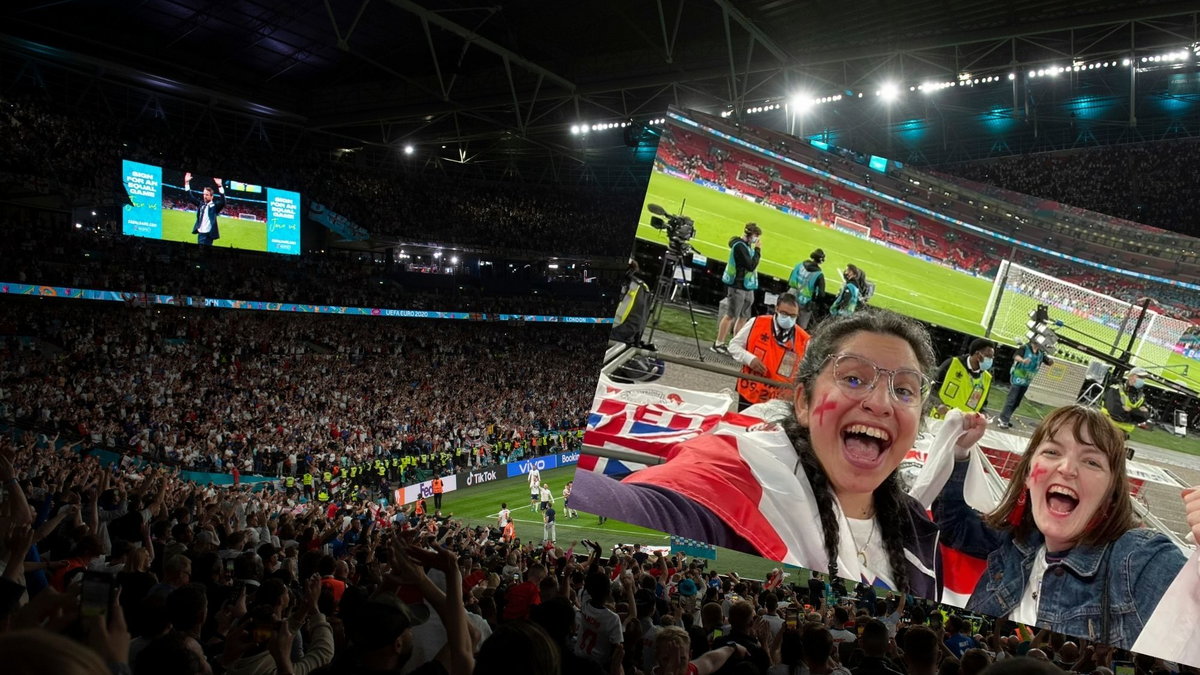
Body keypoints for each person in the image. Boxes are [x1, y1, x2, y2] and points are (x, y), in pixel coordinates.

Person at [571, 308, 944, 598]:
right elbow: (637, 508)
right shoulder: (736, 480)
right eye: (853, 378)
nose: (880, 402)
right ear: (802, 402)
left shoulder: (917, 529)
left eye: (905, 390)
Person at [934, 405, 1200, 649]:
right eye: (1052, 451)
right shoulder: (1018, 541)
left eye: (1091, 461)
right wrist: (959, 452)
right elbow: (953, 526)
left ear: (1111, 494)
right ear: (1027, 474)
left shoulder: (1139, 561)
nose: (1067, 468)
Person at [727, 292, 811, 409]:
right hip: (751, 392)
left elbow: (808, 371)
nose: (788, 319)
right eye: (784, 313)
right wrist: (750, 359)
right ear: (776, 309)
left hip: (780, 401)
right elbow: (733, 346)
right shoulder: (756, 323)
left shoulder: (804, 339)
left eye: (793, 316)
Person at [712, 222, 763, 354]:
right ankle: (718, 343)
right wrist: (758, 250)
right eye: (755, 236)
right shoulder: (740, 246)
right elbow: (751, 265)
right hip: (738, 285)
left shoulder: (746, 246)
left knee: (743, 316)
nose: (757, 239)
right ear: (749, 235)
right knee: (731, 315)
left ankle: (735, 344)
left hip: (748, 286)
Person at [931, 338, 994, 419]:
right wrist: (938, 404)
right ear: (978, 354)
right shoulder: (952, 364)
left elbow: (983, 405)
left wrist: (984, 414)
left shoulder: (987, 378)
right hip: (939, 420)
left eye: (992, 357)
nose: (990, 360)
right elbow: (931, 388)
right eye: (988, 356)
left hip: (964, 425)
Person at [996, 340, 1054, 429]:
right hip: (1018, 377)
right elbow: (1016, 356)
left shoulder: (1041, 353)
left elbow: (1048, 362)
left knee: (1017, 401)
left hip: (1027, 380)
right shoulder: (1025, 348)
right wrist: (1023, 360)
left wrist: (1050, 361)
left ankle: (1006, 417)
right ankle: (1003, 419)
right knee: (1012, 399)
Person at [1100, 368, 1152, 437]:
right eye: (1139, 377)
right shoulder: (1115, 390)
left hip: (1123, 434)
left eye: (1143, 378)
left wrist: (1130, 410)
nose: (1142, 380)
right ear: (1130, 376)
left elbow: (1145, 416)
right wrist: (1136, 416)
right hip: (1105, 429)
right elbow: (1116, 414)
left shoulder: (1141, 397)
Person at [183, 173, 225, 246]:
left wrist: (220, 186)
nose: (204, 196)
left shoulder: (214, 206)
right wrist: (186, 182)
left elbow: (223, 202)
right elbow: (190, 197)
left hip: (207, 236)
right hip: (200, 234)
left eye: (207, 195)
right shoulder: (201, 204)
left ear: (212, 197)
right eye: (204, 194)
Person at [789, 248, 827, 330]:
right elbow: (821, 294)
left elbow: (791, 279)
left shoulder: (800, 265)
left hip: (791, 297)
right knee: (800, 328)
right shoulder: (819, 275)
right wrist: (815, 302)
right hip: (805, 303)